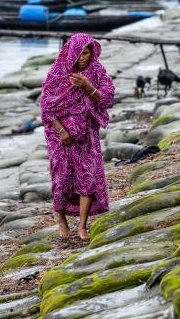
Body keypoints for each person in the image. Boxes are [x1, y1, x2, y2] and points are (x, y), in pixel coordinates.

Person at [40, 33, 115, 240]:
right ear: (72, 52)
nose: (83, 57)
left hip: (87, 133)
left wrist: (87, 86)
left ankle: (82, 225)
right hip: (59, 135)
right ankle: (62, 219)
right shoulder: (58, 72)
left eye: (87, 53)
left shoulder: (97, 71)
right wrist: (62, 130)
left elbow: (107, 99)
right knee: (62, 176)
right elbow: (46, 108)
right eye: (80, 53)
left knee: (87, 176)